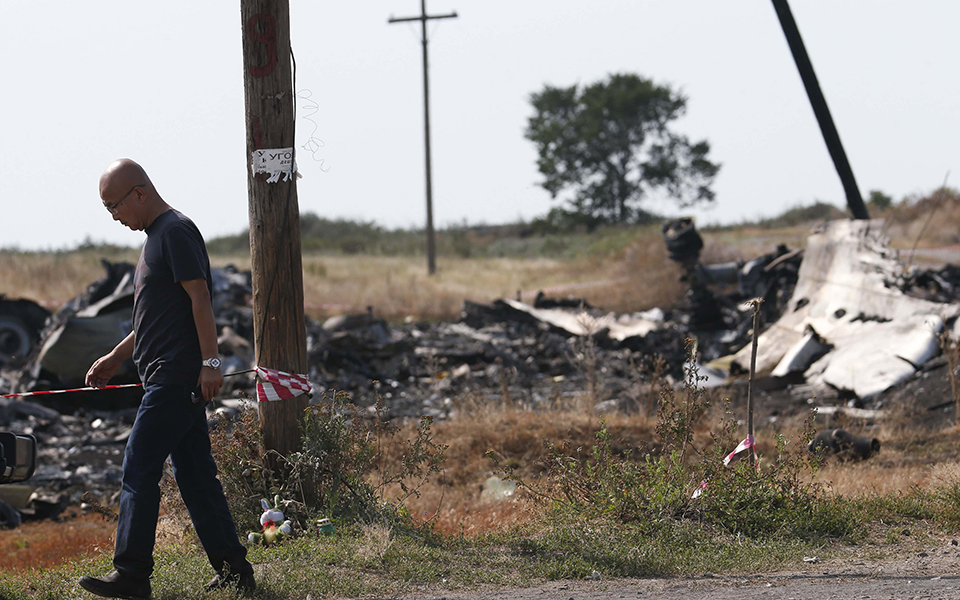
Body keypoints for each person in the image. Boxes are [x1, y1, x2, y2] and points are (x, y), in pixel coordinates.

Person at [79, 159, 254, 599]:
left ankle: (132, 573)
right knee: (196, 477)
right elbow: (153, 317)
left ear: (139, 193)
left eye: (113, 206)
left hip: (175, 377)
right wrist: (116, 357)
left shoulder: (175, 231)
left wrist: (211, 363)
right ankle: (234, 570)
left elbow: (200, 298)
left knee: (138, 465)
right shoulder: (155, 239)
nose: (114, 217)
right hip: (165, 374)